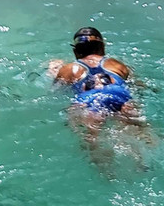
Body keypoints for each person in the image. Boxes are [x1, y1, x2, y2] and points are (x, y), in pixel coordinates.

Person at [51, 27, 154, 170]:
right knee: (141, 135)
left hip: (89, 99)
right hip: (119, 95)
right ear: (103, 47)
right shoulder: (118, 65)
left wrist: (54, 71)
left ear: (75, 51)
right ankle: (142, 164)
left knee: (92, 141)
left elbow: (56, 92)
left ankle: (108, 175)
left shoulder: (69, 69)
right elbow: (139, 86)